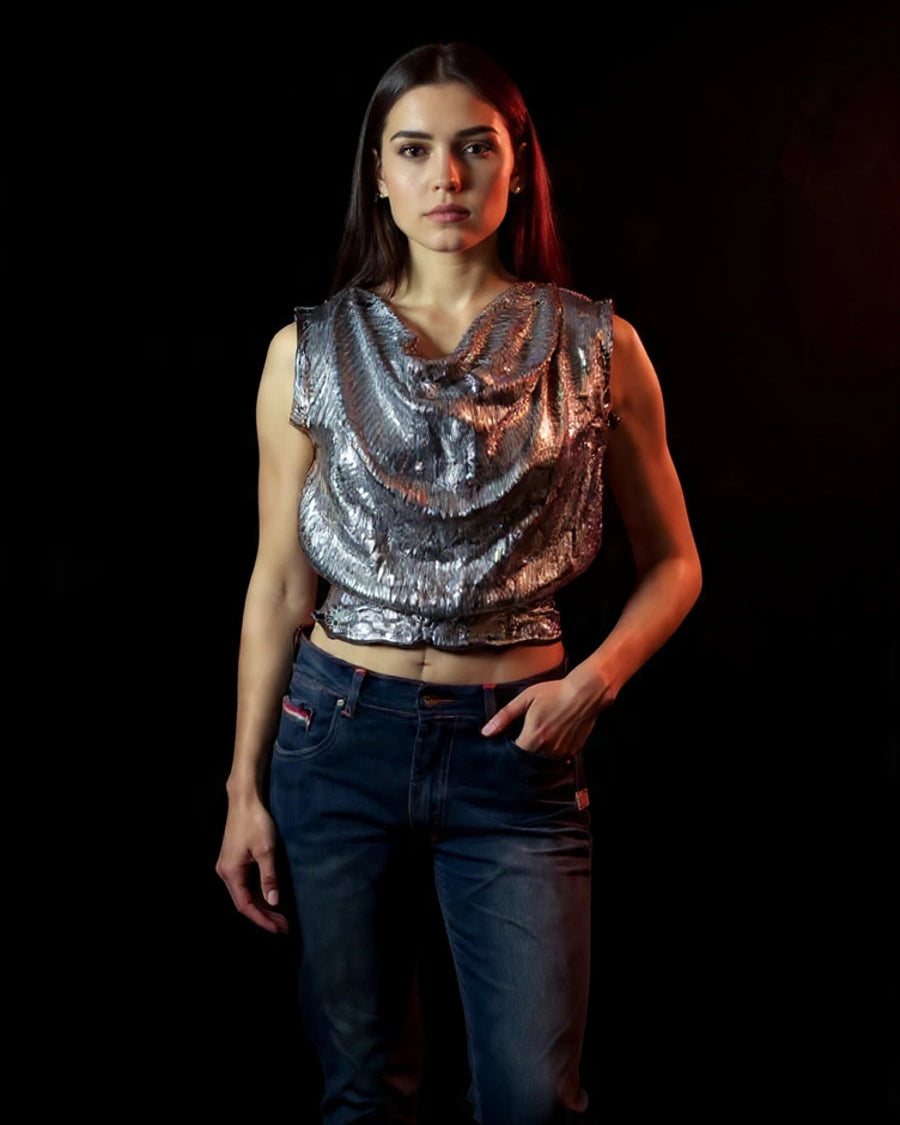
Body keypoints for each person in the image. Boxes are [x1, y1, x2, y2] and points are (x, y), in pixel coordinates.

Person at [216, 41, 702, 1125]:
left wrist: (593, 685)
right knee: (364, 1093)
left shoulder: (599, 345)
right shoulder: (306, 353)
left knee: (532, 1098)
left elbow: (676, 562)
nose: (448, 177)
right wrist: (245, 788)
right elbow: (278, 584)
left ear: (517, 167)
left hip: (515, 751)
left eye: (476, 149)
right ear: (380, 177)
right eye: (417, 151)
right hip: (338, 734)